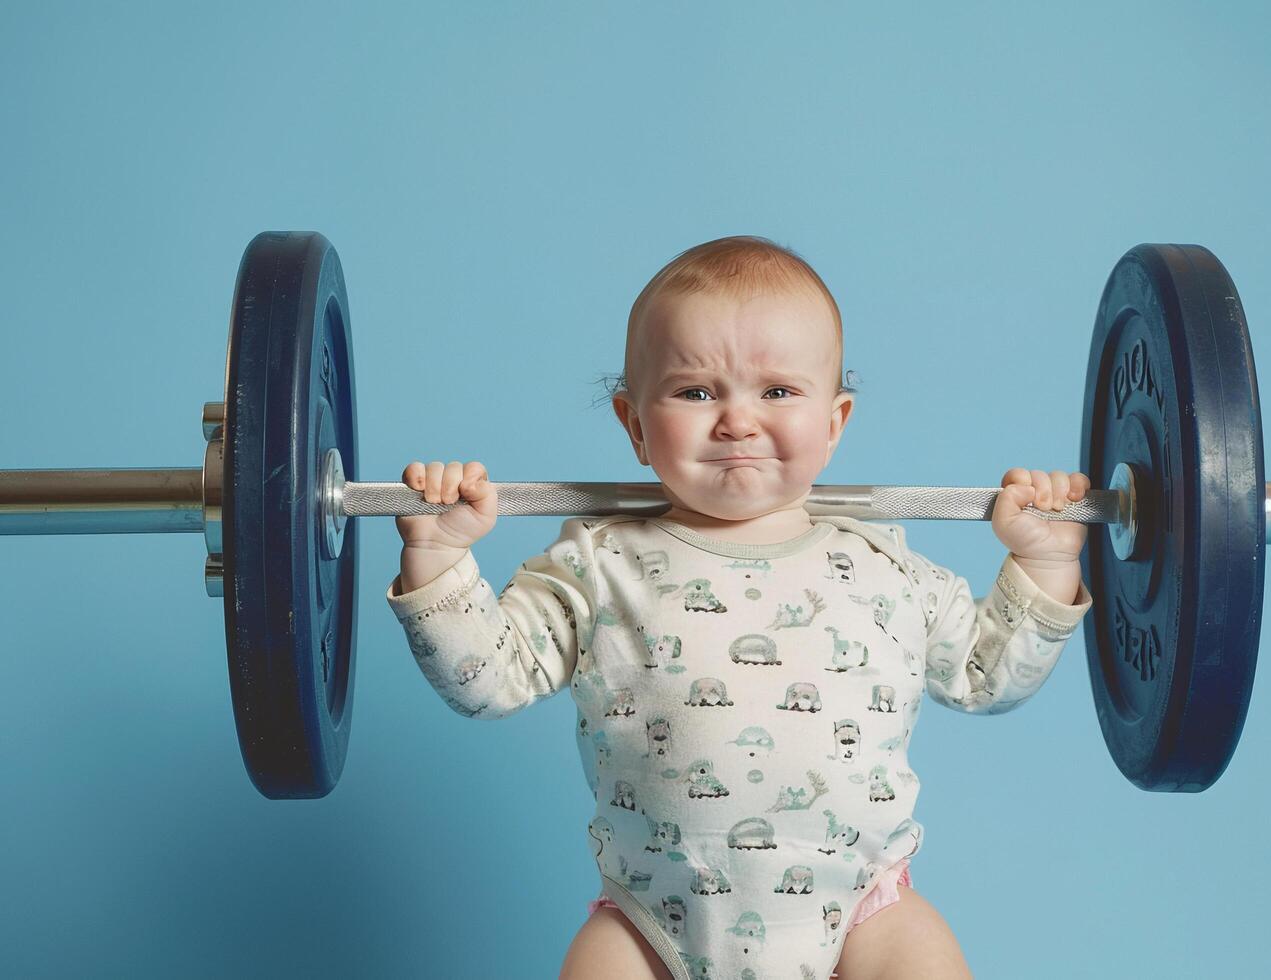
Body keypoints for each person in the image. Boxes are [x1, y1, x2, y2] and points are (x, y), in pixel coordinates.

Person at [385, 236, 1094, 980]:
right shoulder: (598, 565)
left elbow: (988, 676)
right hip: (650, 923)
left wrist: (1044, 562)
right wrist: (438, 557)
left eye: (778, 391)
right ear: (633, 425)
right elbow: (488, 682)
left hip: (863, 914)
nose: (737, 422)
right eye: (696, 392)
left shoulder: (888, 570)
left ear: (834, 420)